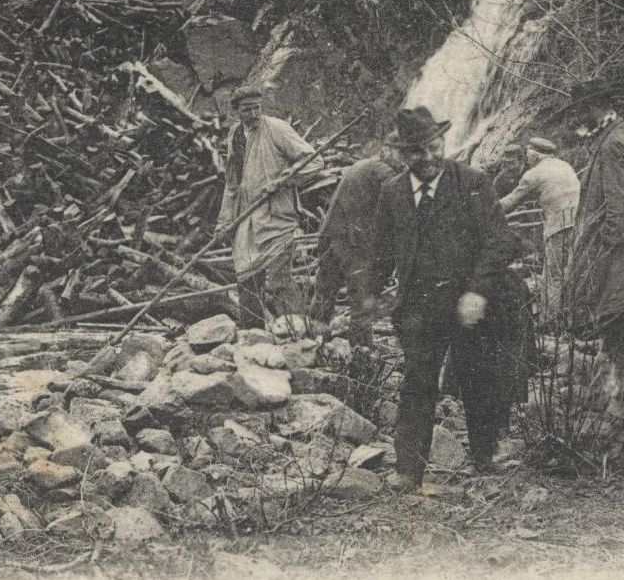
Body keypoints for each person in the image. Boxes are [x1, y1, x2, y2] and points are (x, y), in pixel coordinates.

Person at [370, 106, 525, 492]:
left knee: (477, 379)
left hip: (467, 304)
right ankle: (409, 470)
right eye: (417, 152)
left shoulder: (471, 182)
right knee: (417, 384)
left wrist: (477, 291)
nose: (428, 158)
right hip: (418, 309)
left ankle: (485, 457)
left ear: (443, 142)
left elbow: (500, 241)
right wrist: (368, 296)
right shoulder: (392, 193)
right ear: (402, 155)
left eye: (434, 146)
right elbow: (381, 251)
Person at [562, 79, 624, 427]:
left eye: (580, 111)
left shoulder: (613, 143)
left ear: (592, 108)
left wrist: (601, 247)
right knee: (620, 320)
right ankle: (620, 396)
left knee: (619, 319)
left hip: (621, 254)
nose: (578, 118)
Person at [216, 85, 319, 329]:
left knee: (279, 280)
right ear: (235, 112)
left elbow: (314, 160)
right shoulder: (236, 136)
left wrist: (285, 179)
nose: (253, 115)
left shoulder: (276, 129)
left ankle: (301, 334)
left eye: (256, 108)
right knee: (247, 280)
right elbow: (232, 183)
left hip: (276, 218)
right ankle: (253, 335)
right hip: (247, 219)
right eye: (246, 110)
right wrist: (224, 221)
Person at [313, 137, 401, 343]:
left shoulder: (362, 165)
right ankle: (361, 358)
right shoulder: (385, 173)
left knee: (325, 292)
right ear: (387, 150)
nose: (404, 160)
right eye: (401, 153)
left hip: (329, 235)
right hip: (352, 243)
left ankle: (315, 343)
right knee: (362, 301)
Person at [499, 136, 580, 320]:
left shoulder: (534, 174)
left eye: (528, 155)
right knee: (569, 271)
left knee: (553, 275)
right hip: (578, 223)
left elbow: (510, 202)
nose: (527, 159)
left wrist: (483, 205)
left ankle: (550, 321)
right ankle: (570, 317)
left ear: (535, 156)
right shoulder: (564, 165)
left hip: (558, 227)